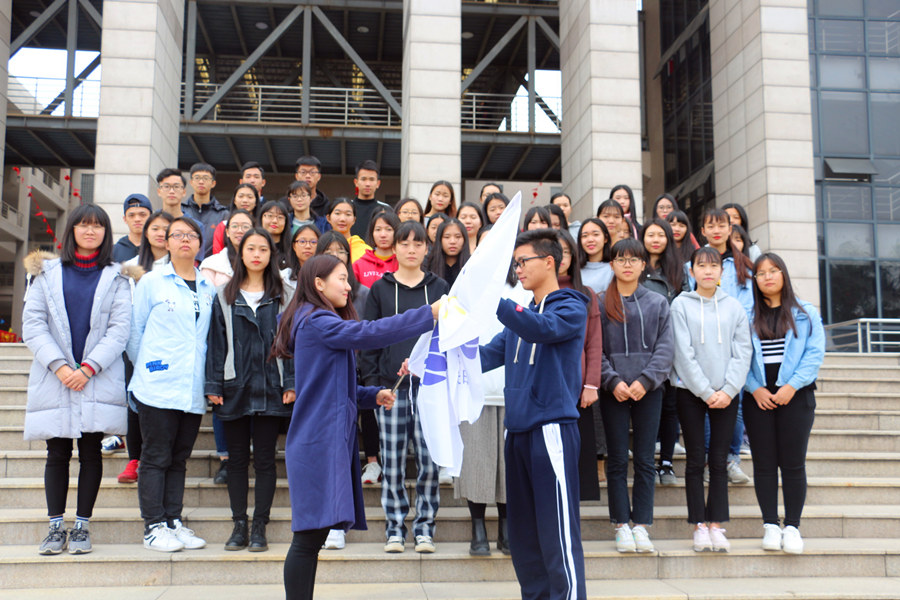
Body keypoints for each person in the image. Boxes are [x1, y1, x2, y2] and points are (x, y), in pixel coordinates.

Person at [273, 254, 441, 600]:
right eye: (341, 278)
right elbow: (370, 332)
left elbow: (331, 386)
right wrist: (428, 314)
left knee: (312, 538)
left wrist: (372, 395)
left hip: (322, 439)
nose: (349, 286)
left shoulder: (315, 319)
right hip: (318, 442)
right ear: (318, 284)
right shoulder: (317, 320)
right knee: (307, 539)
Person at [478, 229, 589, 600]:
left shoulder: (571, 306)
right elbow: (485, 356)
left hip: (551, 430)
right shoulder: (521, 317)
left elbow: (543, 328)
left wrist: (495, 300)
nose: (518, 270)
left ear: (549, 262)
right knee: (525, 540)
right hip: (517, 432)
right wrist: (430, 364)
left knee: (557, 535)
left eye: (523, 261)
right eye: (516, 264)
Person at [23, 204, 132, 555]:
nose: (90, 231)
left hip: (95, 377)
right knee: (56, 453)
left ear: (106, 233)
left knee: (90, 452)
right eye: (83, 225)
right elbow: (33, 324)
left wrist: (88, 368)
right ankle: (56, 527)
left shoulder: (117, 276)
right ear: (71, 230)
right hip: (54, 376)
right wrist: (59, 366)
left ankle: (82, 526)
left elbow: (120, 330)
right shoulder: (46, 273)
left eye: (97, 226)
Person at [359, 221, 449, 554]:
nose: (411, 249)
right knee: (393, 462)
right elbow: (369, 340)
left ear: (427, 248)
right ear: (393, 248)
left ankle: (424, 529)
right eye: (405, 243)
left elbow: (449, 336)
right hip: (391, 389)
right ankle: (394, 529)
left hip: (430, 390)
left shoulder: (440, 287)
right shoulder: (379, 289)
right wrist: (373, 387)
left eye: (418, 243)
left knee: (429, 462)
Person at [127, 216, 216, 552]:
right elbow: (134, 333)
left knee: (179, 458)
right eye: (177, 235)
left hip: (191, 385)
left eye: (191, 235)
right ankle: (153, 526)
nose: (185, 240)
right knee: (155, 456)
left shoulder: (207, 286)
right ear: (166, 242)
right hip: (157, 385)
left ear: (200, 244)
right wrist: (151, 366)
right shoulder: (152, 281)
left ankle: (172, 521)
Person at [206, 228, 294, 553]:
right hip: (235, 387)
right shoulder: (224, 295)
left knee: (266, 461)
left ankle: (260, 526)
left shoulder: (285, 294)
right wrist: (213, 384)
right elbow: (216, 343)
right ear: (240, 253)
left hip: (272, 387)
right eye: (251, 248)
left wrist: (291, 382)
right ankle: (239, 525)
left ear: (272, 254)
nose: (257, 254)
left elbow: (293, 344)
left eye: (263, 249)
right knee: (237, 460)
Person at [670, 247, 752, 552]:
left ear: (721, 271)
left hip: (727, 394)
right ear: (691, 271)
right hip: (690, 392)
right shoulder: (681, 305)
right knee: (695, 460)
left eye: (713, 265)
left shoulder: (734, 307)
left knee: (719, 460)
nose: (707, 271)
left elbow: (743, 352)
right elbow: (682, 353)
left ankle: (716, 524)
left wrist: (728, 390)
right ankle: (699, 526)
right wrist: (705, 391)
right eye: (701, 266)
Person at [744, 253, 825, 555]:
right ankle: (770, 525)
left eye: (774, 270)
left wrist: (791, 386)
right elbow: (739, 356)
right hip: (758, 399)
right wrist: (755, 388)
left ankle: (792, 527)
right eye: (761, 273)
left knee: (793, 464)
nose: (768, 277)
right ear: (755, 280)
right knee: (764, 464)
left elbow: (814, 354)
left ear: (783, 274)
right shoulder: (746, 315)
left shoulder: (805, 313)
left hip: (797, 396)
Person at [599, 239, 674, 554]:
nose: (627, 265)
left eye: (633, 259)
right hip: (612, 391)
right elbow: (595, 350)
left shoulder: (657, 302)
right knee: (617, 460)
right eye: (621, 259)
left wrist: (646, 380)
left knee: (644, 459)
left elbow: (666, 348)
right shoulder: (600, 303)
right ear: (612, 264)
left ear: (644, 265)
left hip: (649, 390)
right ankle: (621, 525)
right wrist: (612, 380)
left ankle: (641, 525)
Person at [456, 261, 530, 557]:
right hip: (474, 389)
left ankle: (506, 527)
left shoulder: (523, 289)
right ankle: (478, 528)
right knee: (475, 461)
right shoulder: (466, 290)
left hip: (513, 389)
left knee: (508, 465)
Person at [115, 211, 176, 485]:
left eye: (166, 229)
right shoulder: (130, 267)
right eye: (155, 228)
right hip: (137, 342)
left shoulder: (181, 266)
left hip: (171, 344)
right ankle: (134, 458)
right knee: (136, 400)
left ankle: (162, 455)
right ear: (146, 233)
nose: (160, 233)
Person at [641, 218, 689, 486]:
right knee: (648, 406)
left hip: (672, 344)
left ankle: (667, 462)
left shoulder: (678, 270)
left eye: (661, 235)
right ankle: (646, 460)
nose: (656, 239)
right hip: (642, 345)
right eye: (651, 234)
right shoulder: (636, 267)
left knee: (670, 406)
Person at [556, 230, 602, 501]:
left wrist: (591, 384)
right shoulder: (533, 292)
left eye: (566, 252)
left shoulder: (585, 294)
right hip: (546, 390)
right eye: (555, 252)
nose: (561, 258)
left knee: (577, 463)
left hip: (578, 389)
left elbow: (594, 343)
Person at [182, 163, 228, 260]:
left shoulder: (223, 214)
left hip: (212, 265)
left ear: (213, 183)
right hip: (184, 263)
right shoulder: (181, 210)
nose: (201, 182)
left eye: (206, 178)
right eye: (197, 178)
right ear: (191, 182)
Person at [200, 209, 254, 287]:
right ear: (227, 232)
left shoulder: (261, 261)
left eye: (245, 226)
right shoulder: (210, 264)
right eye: (234, 226)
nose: (240, 231)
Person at [353, 210, 400, 288]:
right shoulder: (359, 265)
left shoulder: (402, 263)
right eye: (378, 229)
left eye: (388, 229)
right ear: (372, 233)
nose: (383, 235)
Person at [212, 184, 261, 255]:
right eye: (241, 196)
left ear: (256, 202)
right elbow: (217, 253)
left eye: (250, 197)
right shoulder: (223, 225)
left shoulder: (262, 226)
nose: (245, 200)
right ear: (234, 200)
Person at [425, 217, 470, 288]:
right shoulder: (427, 265)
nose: (452, 241)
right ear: (439, 239)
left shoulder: (471, 264)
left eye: (457, 237)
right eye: (447, 237)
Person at [351, 160, 391, 238]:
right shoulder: (347, 207)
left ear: (378, 183)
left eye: (372, 179)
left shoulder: (386, 209)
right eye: (363, 179)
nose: (367, 184)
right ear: (356, 182)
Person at [325, 198, 370, 263]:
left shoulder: (365, 251)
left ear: (354, 220)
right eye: (337, 213)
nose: (342, 219)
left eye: (348, 214)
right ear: (328, 218)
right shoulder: (322, 247)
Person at [282, 223, 321, 300]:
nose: (308, 246)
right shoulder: (284, 277)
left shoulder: (327, 276)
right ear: (294, 246)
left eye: (313, 242)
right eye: (302, 241)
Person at [113, 194, 153, 263]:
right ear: (125, 219)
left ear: (151, 217)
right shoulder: (114, 251)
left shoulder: (157, 248)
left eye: (142, 214)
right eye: (131, 215)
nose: (137, 219)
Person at [578, 218, 613, 294]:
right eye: (585, 236)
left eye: (596, 234)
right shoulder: (574, 269)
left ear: (605, 238)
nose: (590, 240)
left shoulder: (613, 269)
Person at [258, 200, 293, 270]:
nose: (274, 221)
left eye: (280, 217)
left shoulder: (293, 249)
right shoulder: (252, 245)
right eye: (270, 216)